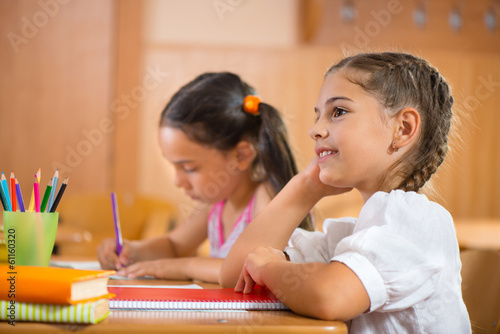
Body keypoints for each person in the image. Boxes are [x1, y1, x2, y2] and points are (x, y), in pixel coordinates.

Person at [221, 53, 471, 332]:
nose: (314, 130)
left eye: (338, 112)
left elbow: (331, 296)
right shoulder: (352, 237)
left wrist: (269, 268)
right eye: (317, 116)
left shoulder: (417, 223)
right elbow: (236, 277)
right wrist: (305, 187)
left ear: (403, 129)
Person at [97, 72, 313, 283]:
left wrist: (185, 266)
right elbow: (174, 246)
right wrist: (132, 250)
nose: (178, 181)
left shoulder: (267, 198)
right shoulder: (216, 203)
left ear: (241, 155)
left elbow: (244, 270)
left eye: (189, 168)